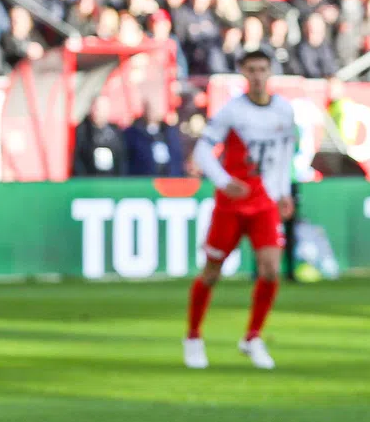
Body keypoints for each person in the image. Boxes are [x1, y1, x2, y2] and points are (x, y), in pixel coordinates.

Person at [184, 50, 298, 370]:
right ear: (243, 74)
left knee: (272, 269)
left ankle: (252, 337)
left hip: (264, 202)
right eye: (252, 70)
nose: (258, 75)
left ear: (270, 71)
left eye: (263, 69)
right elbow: (203, 150)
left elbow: (284, 154)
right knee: (212, 272)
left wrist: (284, 191)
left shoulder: (283, 111)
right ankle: (193, 336)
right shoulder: (232, 112)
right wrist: (223, 180)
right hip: (232, 204)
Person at [124, 100, 185, 177]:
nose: (153, 111)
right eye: (150, 108)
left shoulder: (169, 132)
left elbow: (177, 157)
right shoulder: (134, 133)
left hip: (169, 179)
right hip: (144, 179)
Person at [72, 96, 127, 176]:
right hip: (90, 179)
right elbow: (78, 159)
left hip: (111, 179)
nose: (99, 112)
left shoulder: (115, 131)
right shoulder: (83, 130)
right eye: (97, 108)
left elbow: (121, 158)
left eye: (103, 109)